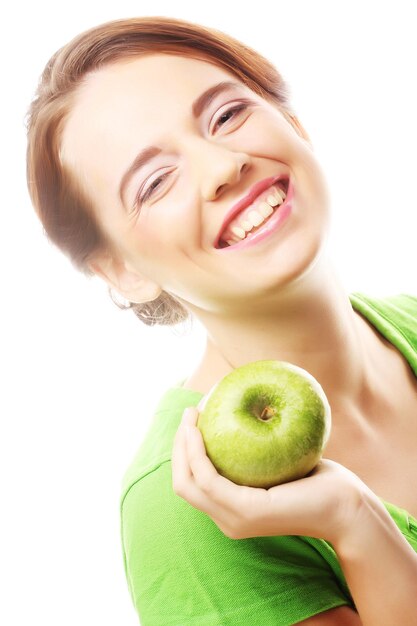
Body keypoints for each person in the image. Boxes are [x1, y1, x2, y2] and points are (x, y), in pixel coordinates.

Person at [25, 15, 417, 626]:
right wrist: (353, 522)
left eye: (226, 115)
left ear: (292, 120)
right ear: (121, 269)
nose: (223, 166)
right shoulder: (184, 516)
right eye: (155, 182)